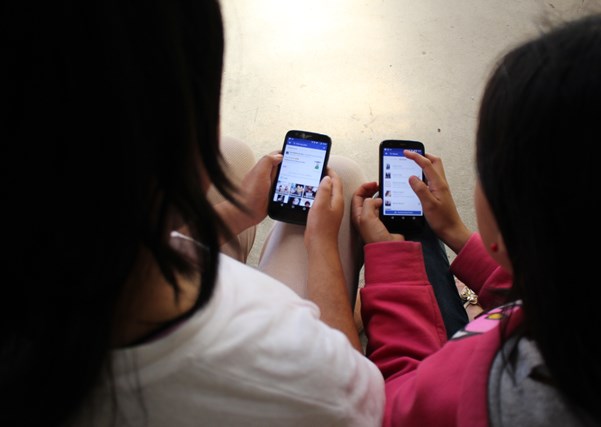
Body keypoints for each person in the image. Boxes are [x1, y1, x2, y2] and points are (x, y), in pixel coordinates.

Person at [1, 1, 384, 426]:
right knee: (341, 171)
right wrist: (322, 249)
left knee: (234, 153)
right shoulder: (289, 360)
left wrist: (237, 213)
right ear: (181, 133)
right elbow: (356, 398)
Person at [353, 7, 601, 427]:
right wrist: (456, 233)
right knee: (421, 232)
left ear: (517, 229)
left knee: (407, 239)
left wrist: (385, 270)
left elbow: (394, 400)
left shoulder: (493, 382)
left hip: (435, 371)